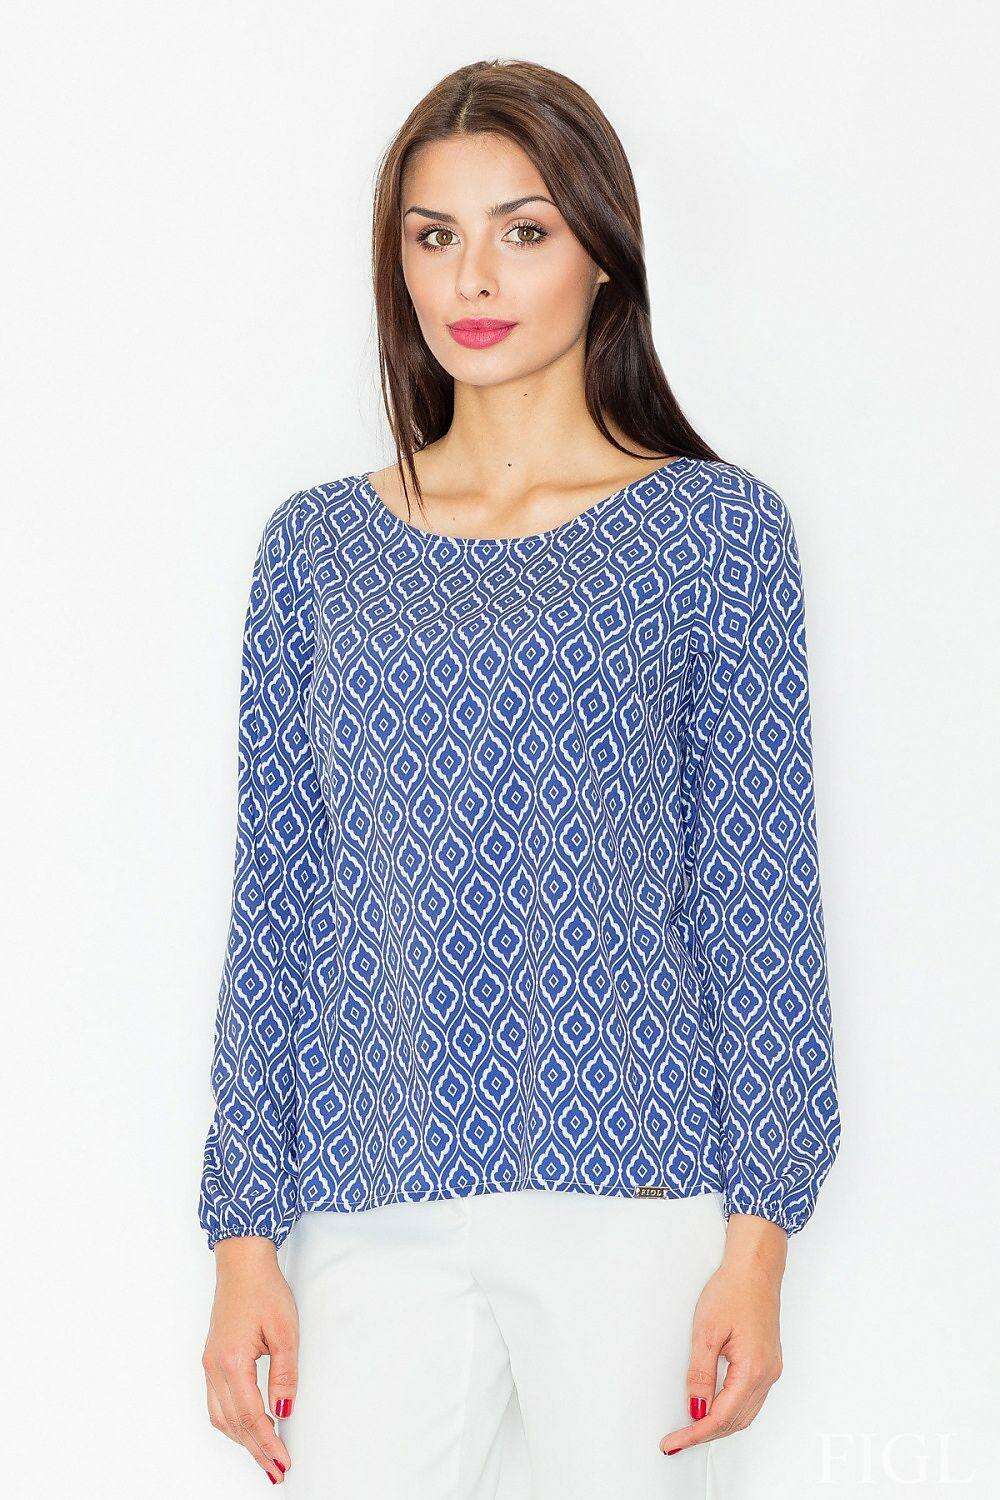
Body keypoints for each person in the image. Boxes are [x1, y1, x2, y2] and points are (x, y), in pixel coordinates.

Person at [197, 57, 842, 1499]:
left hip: (634, 1196)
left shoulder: (716, 535)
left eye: (524, 230)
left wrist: (759, 1245)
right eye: (434, 235)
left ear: (604, 254)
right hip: (370, 1193)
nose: (472, 277)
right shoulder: (315, 553)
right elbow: (279, 902)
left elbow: (759, 898)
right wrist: (243, 1239)